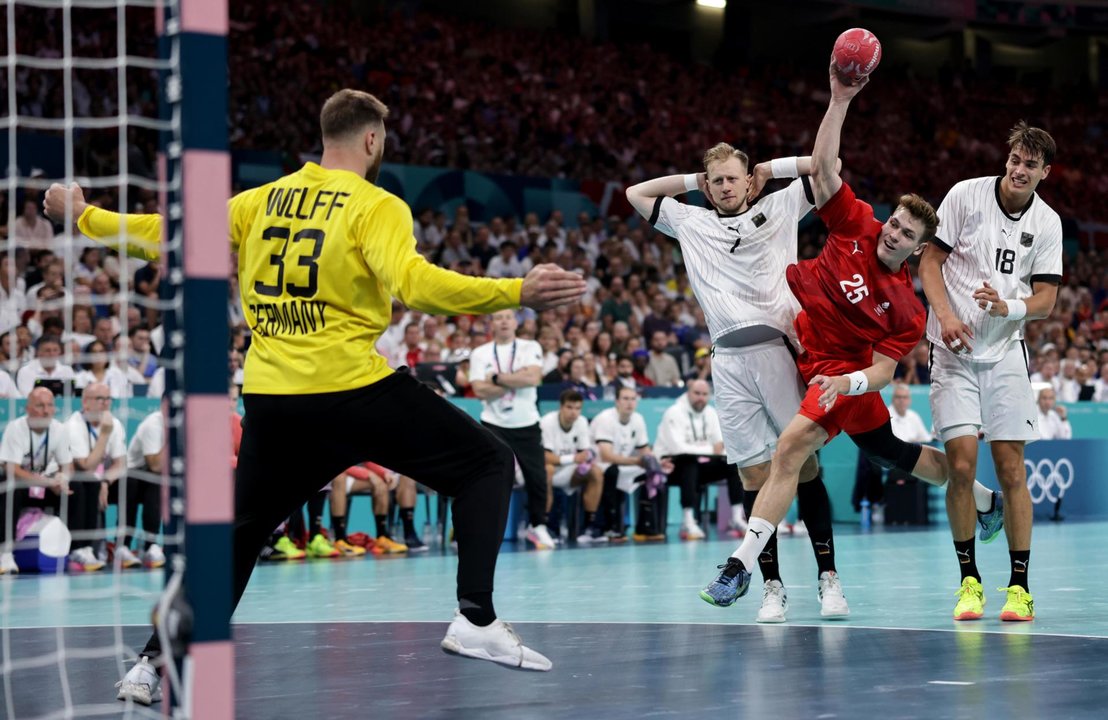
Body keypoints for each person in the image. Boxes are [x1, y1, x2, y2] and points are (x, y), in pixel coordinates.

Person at [46, 89, 585, 702]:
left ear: (325, 135)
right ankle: (476, 618)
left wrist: (85, 215)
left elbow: (165, 233)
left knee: (240, 536)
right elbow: (418, 285)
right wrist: (515, 290)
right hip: (352, 389)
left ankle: (150, 668)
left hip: (274, 401)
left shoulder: (259, 201)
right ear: (373, 139)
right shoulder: (375, 206)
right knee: (487, 463)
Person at [699, 64, 1002, 614]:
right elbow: (823, 169)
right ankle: (985, 500)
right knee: (888, 451)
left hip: (843, 375)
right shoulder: (856, 222)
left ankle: (740, 565)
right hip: (807, 349)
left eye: (908, 234)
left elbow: (885, 373)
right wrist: (838, 99)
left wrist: (847, 382)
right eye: (895, 224)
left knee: (790, 450)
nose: (894, 233)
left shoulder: (908, 310)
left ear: (917, 249)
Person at [627, 142, 846, 622]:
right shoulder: (690, 221)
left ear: (749, 180)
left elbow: (830, 165)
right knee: (753, 475)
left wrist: (771, 169)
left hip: (780, 354)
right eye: (717, 180)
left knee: (803, 468)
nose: (727, 187)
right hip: (727, 361)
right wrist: (692, 182)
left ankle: (829, 578)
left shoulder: (781, 202)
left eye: (734, 177)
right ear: (709, 186)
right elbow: (635, 193)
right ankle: (771, 586)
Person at [919, 120, 1061, 622]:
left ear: (1045, 172)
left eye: (1031, 165)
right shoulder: (964, 196)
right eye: (1015, 160)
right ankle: (968, 582)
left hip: (1005, 355)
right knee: (959, 467)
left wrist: (1010, 308)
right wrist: (948, 316)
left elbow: (1045, 299)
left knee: (1011, 470)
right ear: (1007, 159)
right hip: (952, 351)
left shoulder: (1047, 223)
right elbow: (929, 264)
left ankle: (1019, 588)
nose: (1020, 170)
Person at [469, 309, 555, 550]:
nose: (504, 321)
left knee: (537, 478)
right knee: (491, 479)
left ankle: (537, 526)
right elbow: (479, 390)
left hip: (526, 422)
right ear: (491, 324)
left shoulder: (531, 346)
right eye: (498, 317)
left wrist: (495, 378)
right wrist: (516, 377)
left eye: (508, 317)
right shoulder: (480, 353)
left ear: (516, 323)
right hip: (493, 423)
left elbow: (534, 379)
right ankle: (481, 527)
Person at [0, 388, 84, 574]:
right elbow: (11, 469)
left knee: (75, 486)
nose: (46, 410)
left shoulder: (59, 429)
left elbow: (67, 466)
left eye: (50, 405)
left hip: (44, 486)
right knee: (9, 485)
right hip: (20, 485)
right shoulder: (16, 428)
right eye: (40, 405)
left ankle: (77, 550)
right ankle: (5, 553)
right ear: (28, 409)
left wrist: (63, 479)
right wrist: (47, 483)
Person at [652, 380, 744, 541]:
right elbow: (679, 449)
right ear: (688, 393)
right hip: (671, 467)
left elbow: (720, 444)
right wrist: (709, 449)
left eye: (704, 394)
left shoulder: (710, 412)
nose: (700, 398)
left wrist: (707, 450)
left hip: (701, 465)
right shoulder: (674, 412)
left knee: (733, 464)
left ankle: (736, 518)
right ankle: (688, 520)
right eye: (697, 393)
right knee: (689, 462)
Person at [591, 385, 670, 542]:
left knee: (654, 475)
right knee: (612, 472)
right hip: (600, 465)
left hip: (624, 464)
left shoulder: (638, 419)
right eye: (625, 399)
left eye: (633, 399)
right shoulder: (605, 419)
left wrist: (656, 463)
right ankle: (611, 528)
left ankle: (646, 527)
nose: (629, 403)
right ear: (617, 402)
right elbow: (606, 456)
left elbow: (645, 451)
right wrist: (637, 461)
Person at [64, 381, 128, 568]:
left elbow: (121, 463)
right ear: (85, 403)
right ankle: (82, 549)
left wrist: (106, 482)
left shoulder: (114, 423)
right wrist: (104, 435)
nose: (106, 403)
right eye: (100, 398)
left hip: (101, 482)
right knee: (87, 482)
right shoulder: (73, 425)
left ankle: (123, 547)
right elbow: (86, 466)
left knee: (130, 483)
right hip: (77, 482)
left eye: (108, 398)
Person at [540, 389, 605, 543]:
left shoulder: (581, 422)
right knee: (547, 469)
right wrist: (573, 458)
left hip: (569, 472)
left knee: (595, 472)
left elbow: (584, 454)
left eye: (577, 408)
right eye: (569, 407)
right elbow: (545, 457)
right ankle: (547, 526)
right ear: (561, 407)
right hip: (546, 471)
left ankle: (589, 527)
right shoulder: (547, 422)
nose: (573, 412)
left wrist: (588, 458)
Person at [123, 409, 168, 568]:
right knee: (156, 478)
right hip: (132, 475)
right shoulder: (153, 424)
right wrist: (173, 435)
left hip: (164, 475)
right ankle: (142, 545)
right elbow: (155, 465)